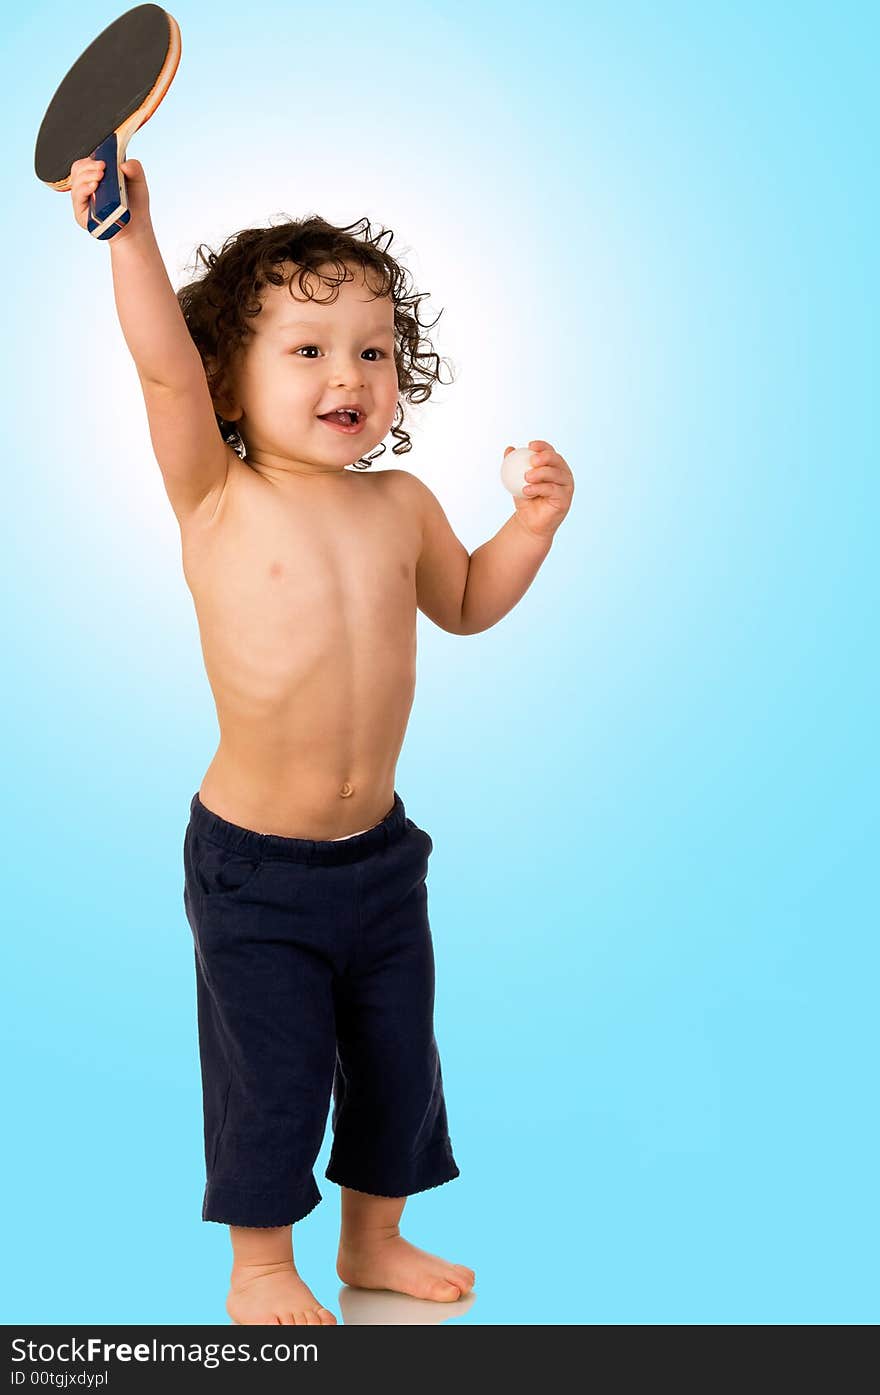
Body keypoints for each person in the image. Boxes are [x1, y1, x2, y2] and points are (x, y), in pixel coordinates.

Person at [68, 155, 574, 1325]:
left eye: (373, 349)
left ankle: (374, 1245)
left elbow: (464, 605)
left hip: (381, 860)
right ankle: (258, 1265)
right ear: (228, 386)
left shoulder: (401, 508)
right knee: (275, 1074)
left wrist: (531, 529)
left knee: (399, 1065)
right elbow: (157, 367)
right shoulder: (217, 497)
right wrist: (129, 236)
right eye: (306, 349)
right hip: (257, 868)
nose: (348, 373)